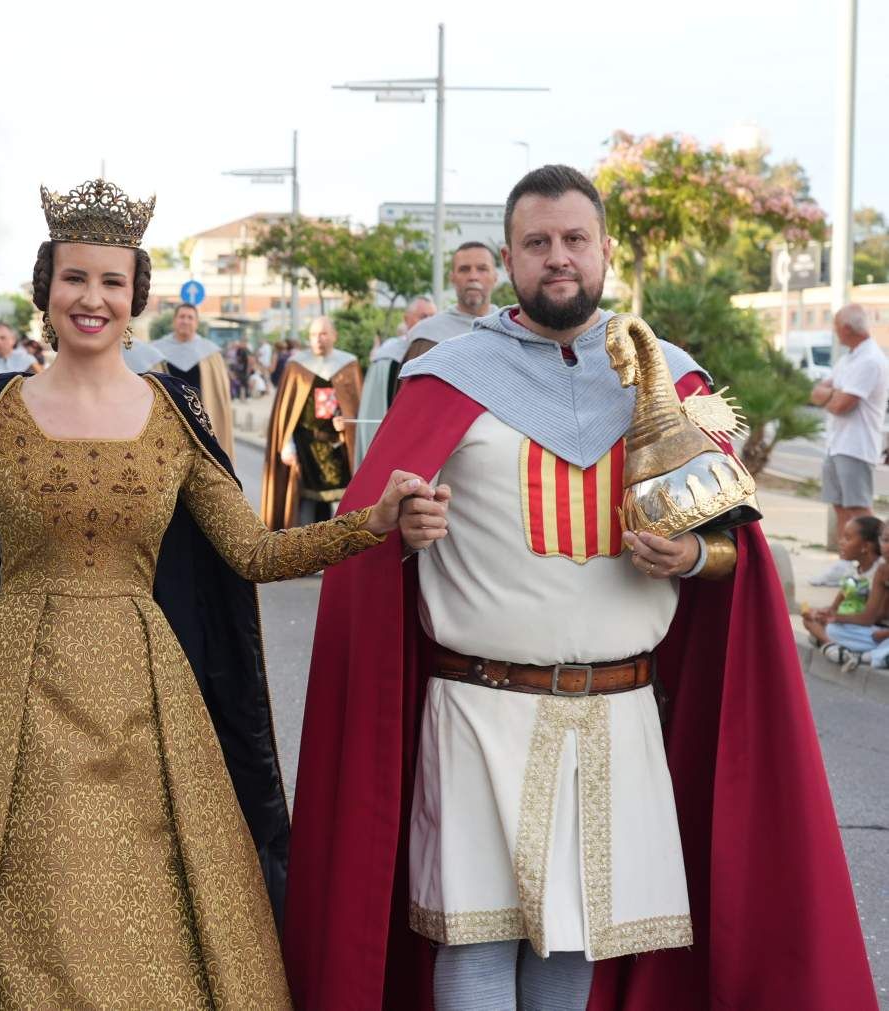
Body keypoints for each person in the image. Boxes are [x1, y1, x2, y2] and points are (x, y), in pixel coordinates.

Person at [0, 178, 437, 1005]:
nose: (92, 298)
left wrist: (373, 520)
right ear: (46, 290)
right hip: (11, 688)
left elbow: (252, 552)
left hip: (146, 689)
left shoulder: (173, 415)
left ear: (135, 296)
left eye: (111, 281)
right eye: (75, 278)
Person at [283, 165, 877, 1010]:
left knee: (575, 951)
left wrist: (692, 559)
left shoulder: (671, 382)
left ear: (604, 250)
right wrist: (402, 533)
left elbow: (739, 551)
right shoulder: (448, 380)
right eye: (537, 242)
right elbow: (367, 549)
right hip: (479, 709)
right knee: (475, 948)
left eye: (573, 240)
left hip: (616, 712)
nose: (557, 258)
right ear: (510, 257)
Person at [262, 315, 362, 528]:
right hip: (304, 444)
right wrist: (286, 445)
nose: (318, 339)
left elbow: (356, 408)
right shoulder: (297, 365)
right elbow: (285, 413)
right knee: (304, 505)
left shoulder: (348, 364)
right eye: (314, 335)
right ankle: (306, 553)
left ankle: (338, 550)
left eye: (324, 334)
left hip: (338, 447)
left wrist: (348, 424)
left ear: (334, 336)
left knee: (341, 507)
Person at [811, 304, 888, 546]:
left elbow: (841, 405)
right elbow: (816, 393)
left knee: (859, 509)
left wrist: (831, 395)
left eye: (835, 326)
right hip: (836, 444)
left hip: (856, 446)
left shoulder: (870, 360)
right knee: (840, 506)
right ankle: (846, 565)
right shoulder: (848, 359)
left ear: (846, 328)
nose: (834, 332)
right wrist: (833, 394)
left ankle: (876, 563)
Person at [355, 296, 437, 467]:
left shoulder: (440, 354)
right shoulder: (387, 358)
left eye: (433, 317)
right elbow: (375, 409)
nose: (429, 322)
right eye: (423, 317)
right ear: (407, 319)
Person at [147, 302, 235, 455]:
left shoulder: (211, 353)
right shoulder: (156, 351)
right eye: (181, 317)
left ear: (196, 323)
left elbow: (219, 393)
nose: (185, 321)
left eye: (190, 317)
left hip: (201, 420)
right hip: (168, 420)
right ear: (174, 321)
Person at [802, 514, 885, 664]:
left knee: (832, 628)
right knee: (810, 621)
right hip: (855, 626)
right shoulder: (852, 573)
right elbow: (835, 608)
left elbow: (874, 617)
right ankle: (833, 646)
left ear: (865, 546)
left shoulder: (879, 572)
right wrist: (822, 613)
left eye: (847, 538)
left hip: (871, 629)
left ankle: (827, 643)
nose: (841, 543)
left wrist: (836, 618)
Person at [402, 242, 499, 364]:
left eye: (482, 269)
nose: (473, 276)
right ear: (452, 278)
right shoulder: (427, 335)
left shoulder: (510, 330)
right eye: (464, 269)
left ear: (495, 277)